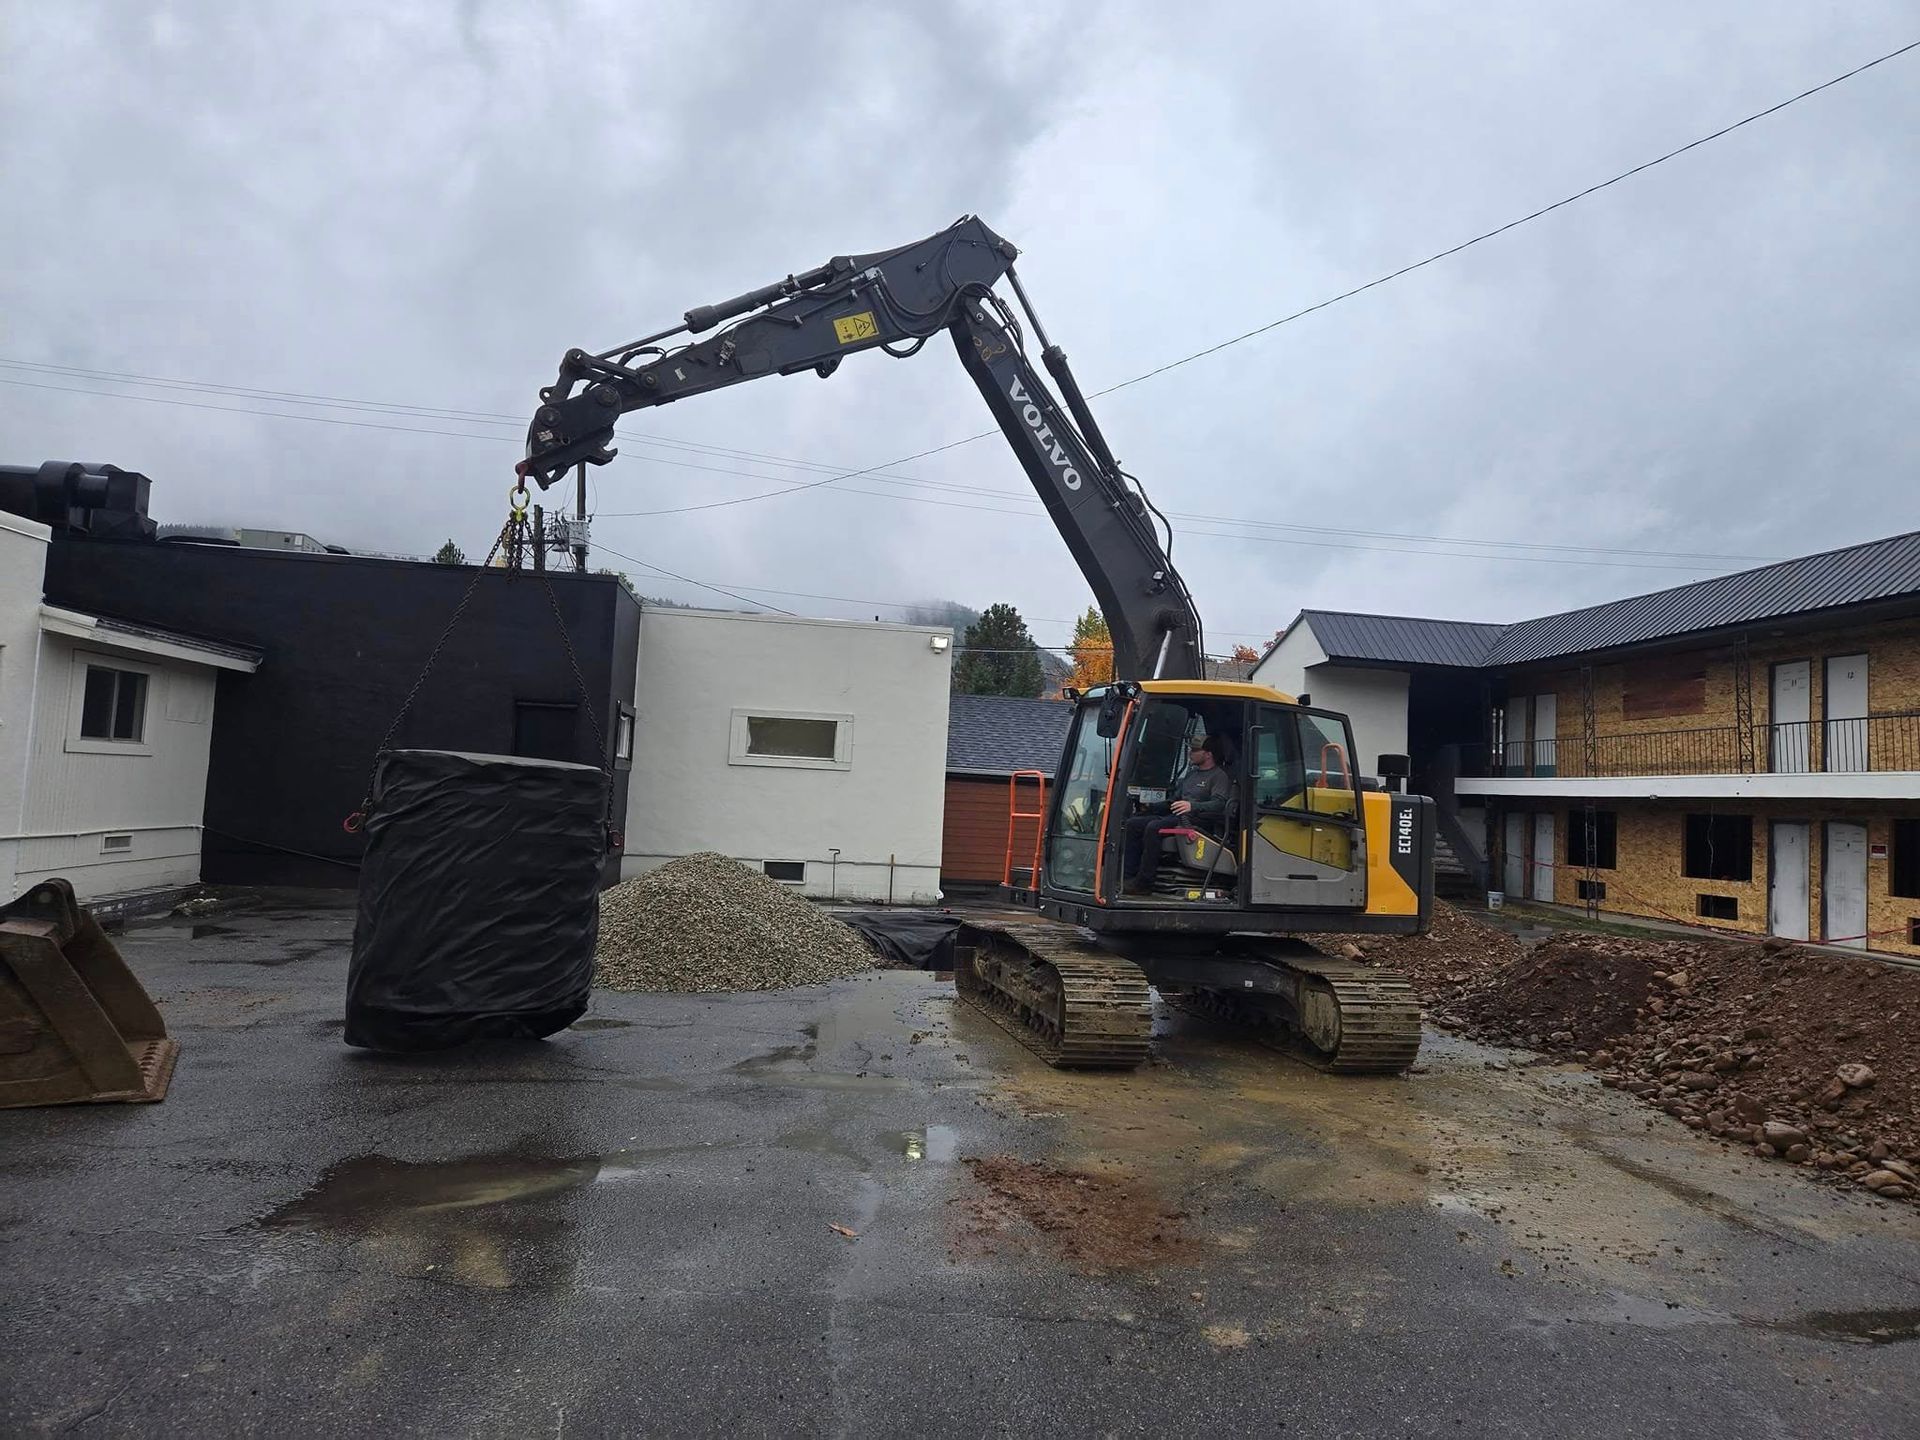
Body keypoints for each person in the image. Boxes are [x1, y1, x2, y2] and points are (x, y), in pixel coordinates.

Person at [1122, 735, 1233, 893]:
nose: (1190, 752)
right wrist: (1149, 807)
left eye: (1195, 750)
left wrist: (1192, 806)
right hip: (1177, 816)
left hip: (1199, 820)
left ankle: (1144, 883)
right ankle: (1127, 877)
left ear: (1208, 754)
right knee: (1133, 824)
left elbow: (1219, 804)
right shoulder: (1191, 775)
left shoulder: (1219, 776)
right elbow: (1174, 801)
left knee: (1154, 828)